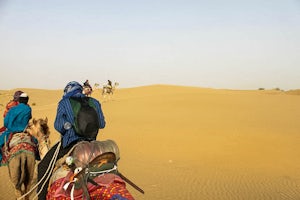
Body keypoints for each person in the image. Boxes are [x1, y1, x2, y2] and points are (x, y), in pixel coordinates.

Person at [37, 81, 106, 199]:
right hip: (92, 146)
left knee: (43, 166)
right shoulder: (95, 102)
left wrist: (68, 127)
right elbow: (102, 124)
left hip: (70, 145)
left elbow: (59, 125)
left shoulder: (64, 103)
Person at [0, 93, 32, 164]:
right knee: (37, 142)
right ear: (27, 101)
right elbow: (29, 117)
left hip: (11, 132)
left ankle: (2, 161)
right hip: (25, 132)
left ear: (19, 100)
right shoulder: (28, 109)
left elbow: (5, 123)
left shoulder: (12, 109)